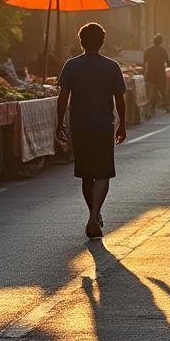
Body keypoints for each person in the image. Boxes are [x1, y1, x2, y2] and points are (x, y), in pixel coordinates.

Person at [56, 23, 127, 239]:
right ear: (102, 42)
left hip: (81, 126)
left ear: (81, 41)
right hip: (103, 126)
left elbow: (63, 97)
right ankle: (94, 216)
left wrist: (59, 123)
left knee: (86, 174)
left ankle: (94, 216)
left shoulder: (71, 65)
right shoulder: (112, 66)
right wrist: (122, 123)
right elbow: (119, 99)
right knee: (103, 173)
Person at [143, 33, 170, 114]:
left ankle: (152, 109)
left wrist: (145, 72)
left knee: (152, 91)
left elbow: (144, 63)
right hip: (161, 73)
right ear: (161, 41)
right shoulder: (163, 51)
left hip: (151, 73)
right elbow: (168, 63)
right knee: (163, 91)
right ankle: (167, 108)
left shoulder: (148, 51)